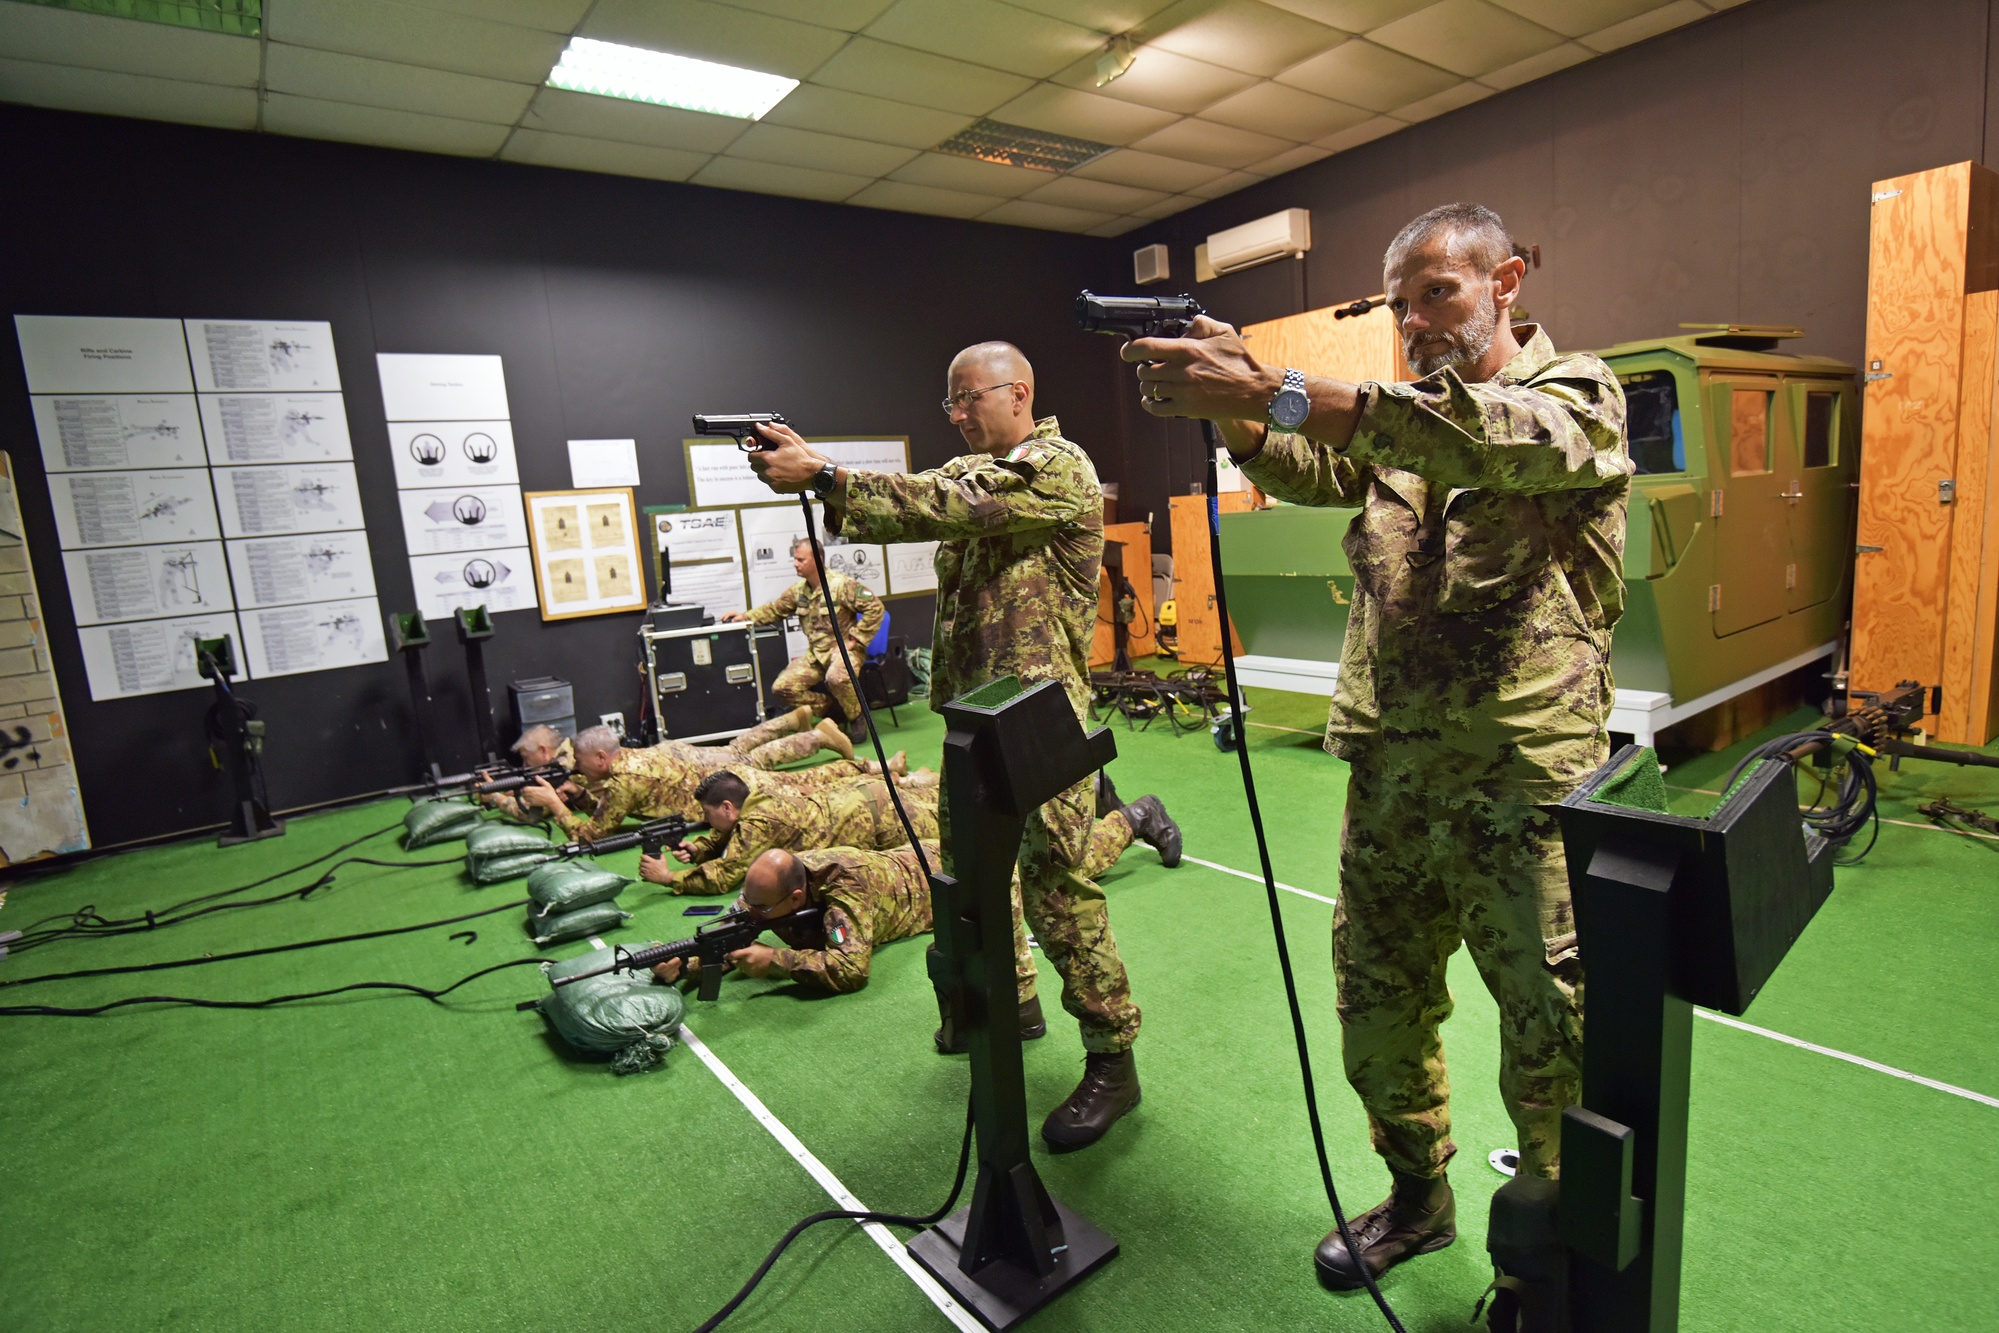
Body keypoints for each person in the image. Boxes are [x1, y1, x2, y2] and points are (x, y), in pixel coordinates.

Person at [1120, 202, 1630, 1287]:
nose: (1413, 320)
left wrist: (1279, 389)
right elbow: (1321, 466)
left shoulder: (1576, 395)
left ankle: (1546, 1247)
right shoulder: (1396, 425)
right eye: (1398, 305)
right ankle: (1417, 1195)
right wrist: (1240, 411)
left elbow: (1477, 439)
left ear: (1508, 280)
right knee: (1376, 1001)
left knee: (1548, 1029)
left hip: (1520, 783)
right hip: (1394, 775)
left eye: (1435, 292)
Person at [747, 339, 1145, 1150]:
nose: (958, 414)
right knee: (971, 882)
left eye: (971, 398)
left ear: (1020, 392)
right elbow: (932, 496)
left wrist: (826, 476)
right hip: (974, 719)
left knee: (1058, 892)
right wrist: (819, 478)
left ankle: (1113, 1059)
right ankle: (1011, 1004)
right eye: (950, 402)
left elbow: (952, 505)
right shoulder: (969, 472)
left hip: (1041, 720)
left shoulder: (1058, 466)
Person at [645, 768, 939, 896]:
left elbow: (725, 876)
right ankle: (926, 781)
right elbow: (730, 835)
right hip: (863, 798)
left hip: (876, 818)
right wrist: (701, 849)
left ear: (726, 807)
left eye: (708, 814)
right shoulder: (758, 798)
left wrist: (669, 877)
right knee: (940, 801)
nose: (707, 822)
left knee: (954, 822)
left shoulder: (756, 824)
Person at [723, 536, 884, 736]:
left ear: (817, 559)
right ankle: (832, 710)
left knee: (836, 677)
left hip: (841, 651)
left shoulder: (842, 585)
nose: (795, 564)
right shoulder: (798, 591)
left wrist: (855, 640)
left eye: (801, 560)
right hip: (815, 655)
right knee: (783, 687)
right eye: (795, 559)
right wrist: (745, 616)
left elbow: (875, 608)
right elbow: (774, 610)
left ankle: (856, 716)